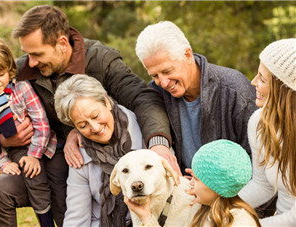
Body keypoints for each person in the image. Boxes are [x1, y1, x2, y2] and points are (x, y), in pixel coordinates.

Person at [0, 5, 177, 227]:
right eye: (27, 54)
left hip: (97, 158)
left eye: (37, 54)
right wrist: (3, 139)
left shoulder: (100, 61)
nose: (31, 62)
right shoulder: (22, 71)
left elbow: (143, 99)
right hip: (45, 162)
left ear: (62, 44)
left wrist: (158, 143)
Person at [135, 21, 258, 172]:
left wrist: (212, 189)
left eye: (167, 71)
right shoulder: (155, 93)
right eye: (155, 75)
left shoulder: (235, 90)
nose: (163, 83)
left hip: (232, 193)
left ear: (187, 55)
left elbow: (259, 161)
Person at [0, 35, 56, 226]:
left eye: (1, 74)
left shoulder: (21, 87)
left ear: (9, 69)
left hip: (45, 144)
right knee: (34, 177)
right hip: (16, 153)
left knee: (56, 184)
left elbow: (41, 121)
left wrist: (35, 154)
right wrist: (3, 163)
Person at [54, 74, 145, 226]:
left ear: (106, 102)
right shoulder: (80, 155)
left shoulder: (145, 130)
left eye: (95, 115)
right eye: (83, 125)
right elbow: (77, 218)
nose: (95, 128)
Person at [125, 139, 260, 227]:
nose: (190, 183)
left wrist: (148, 220)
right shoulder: (206, 213)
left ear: (214, 186)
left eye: (196, 179)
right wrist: (147, 217)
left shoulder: (240, 222)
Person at [238, 38, 296, 226]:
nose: (253, 82)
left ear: (284, 91)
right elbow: (262, 185)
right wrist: (222, 207)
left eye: (262, 79)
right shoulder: (259, 122)